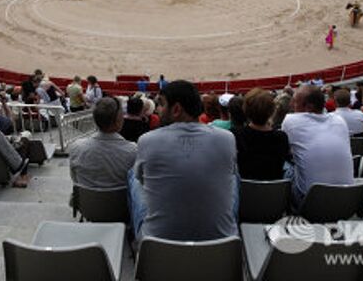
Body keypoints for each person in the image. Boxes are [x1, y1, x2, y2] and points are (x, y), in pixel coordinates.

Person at [129, 80, 237, 241]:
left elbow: (143, 182)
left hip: (156, 244)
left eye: (161, 104)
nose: (158, 110)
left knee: (133, 176)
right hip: (222, 242)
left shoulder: (147, 140)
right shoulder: (227, 138)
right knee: (234, 178)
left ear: (176, 109)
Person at [281, 85, 354, 204]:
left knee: (284, 165)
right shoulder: (339, 120)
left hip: (310, 203)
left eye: (295, 102)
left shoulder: (291, 121)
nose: (291, 105)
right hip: (347, 200)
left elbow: (285, 152)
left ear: (309, 106)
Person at [69, 97, 137, 188]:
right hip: (120, 201)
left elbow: (75, 178)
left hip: (85, 201)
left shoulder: (76, 147)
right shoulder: (133, 150)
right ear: (118, 121)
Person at [235, 88, 291, 180]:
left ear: (245, 110)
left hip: (244, 191)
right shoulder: (281, 137)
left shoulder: (237, 135)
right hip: (275, 192)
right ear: (272, 111)